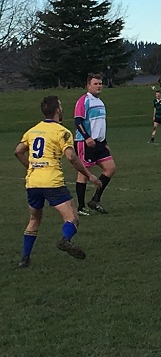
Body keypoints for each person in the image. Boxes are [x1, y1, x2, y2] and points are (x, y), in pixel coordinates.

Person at [15, 96, 102, 268]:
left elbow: (18, 152)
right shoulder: (62, 132)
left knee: (34, 219)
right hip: (52, 182)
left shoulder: (32, 131)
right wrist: (89, 175)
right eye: (60, 107)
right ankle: (65, 240)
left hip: (33, 183)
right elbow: (71, 157)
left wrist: (31, 166)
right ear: (57, 110)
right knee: (72, 218)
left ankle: (24, 258)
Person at [74, 73, 118, 215]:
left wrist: (104, 142)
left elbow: (100, 125)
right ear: (88, 86)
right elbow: (78, 121)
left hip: (99, 143)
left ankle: (95, 199)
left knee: (110, 168)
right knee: (83, 173)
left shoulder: (100, 102)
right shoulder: (84, 100)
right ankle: (80, 207)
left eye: (100, 83)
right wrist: (87, 137)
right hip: (85, 142)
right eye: (95, 84)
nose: (99, 86)